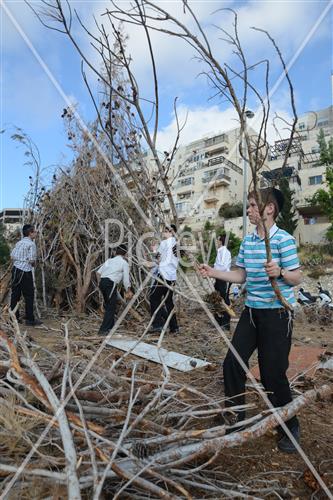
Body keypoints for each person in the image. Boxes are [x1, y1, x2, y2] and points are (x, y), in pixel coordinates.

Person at [199, 188, 302, 453]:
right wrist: (214, 272)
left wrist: (280, 272)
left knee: (272, 374)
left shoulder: (284, 240)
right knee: (232, 363)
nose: (248, 210)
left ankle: (288, 427)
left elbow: (297, 277)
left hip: (278, 314)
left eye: (253, 205)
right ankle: (236, 418)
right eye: (248, 205)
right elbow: (241, 275)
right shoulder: (247, 242)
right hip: (251, 313)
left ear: (269, 209)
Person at [10, 224, 42, 326]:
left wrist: (19, 261)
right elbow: (32, 260)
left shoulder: (19, 243)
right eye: (35, 231)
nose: (36, 233)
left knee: (15, 294)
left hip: (15, 270)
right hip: (25, 271)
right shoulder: (31, 244)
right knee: (29, 295)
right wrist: (33, 264)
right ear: (30, 233)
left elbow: (12, 255)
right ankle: (30, 319)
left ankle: (14, 317)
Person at [96, 244, 133, 335]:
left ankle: (110, 327)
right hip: (110, 283)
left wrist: (99, 283)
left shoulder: (109, 260)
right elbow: (126, 280)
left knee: (110, 304)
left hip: (103, 282)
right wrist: (128, 290)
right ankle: (103, 330)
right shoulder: (124, 263)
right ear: (125, 254)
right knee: (110, 307)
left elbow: (98, 273)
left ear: (115, 252)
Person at [149, 224, 179, 334]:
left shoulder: (164, 243)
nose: (164, 233)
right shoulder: (177, 244)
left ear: (171, 232)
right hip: (172, 277)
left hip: (163, 274)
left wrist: (153, 250)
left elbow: (158, 258)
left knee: (153, 298)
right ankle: (174, 327)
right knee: (169, 302)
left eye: (166, 231)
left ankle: (157, 325)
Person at [214, 234, 232, 330]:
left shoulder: (224, 252)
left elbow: (224, 267)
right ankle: (220, 322)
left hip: (223, 278)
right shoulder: (220, 251)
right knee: (218, 299)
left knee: (224, 300)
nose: (217, 242)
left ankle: (225, 323)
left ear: (221, 241)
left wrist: (214, 271)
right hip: (219, 277)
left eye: (218, 240)